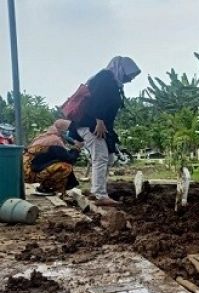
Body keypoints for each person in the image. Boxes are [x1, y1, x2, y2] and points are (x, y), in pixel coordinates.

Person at [68, 56, 141, 206]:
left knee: (110, 157)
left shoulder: (114, 83)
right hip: (91, 124)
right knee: (100, 157)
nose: (130, 79)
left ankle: (99, 190)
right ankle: (99, 195)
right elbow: (96, 101)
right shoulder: (105, 78)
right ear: (122, 70)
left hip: (101, 125)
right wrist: (99, 120)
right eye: (130, 75)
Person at [23, 119, 83, 195]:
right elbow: (70, 158)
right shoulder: (55, 141)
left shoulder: (45, 136)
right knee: (66, 167)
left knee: (57, 163)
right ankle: (45, 188)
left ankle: (43, 187)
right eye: (67, 130)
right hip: (29, 173)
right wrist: (77, 148)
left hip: (25, 169)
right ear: (62, 130)